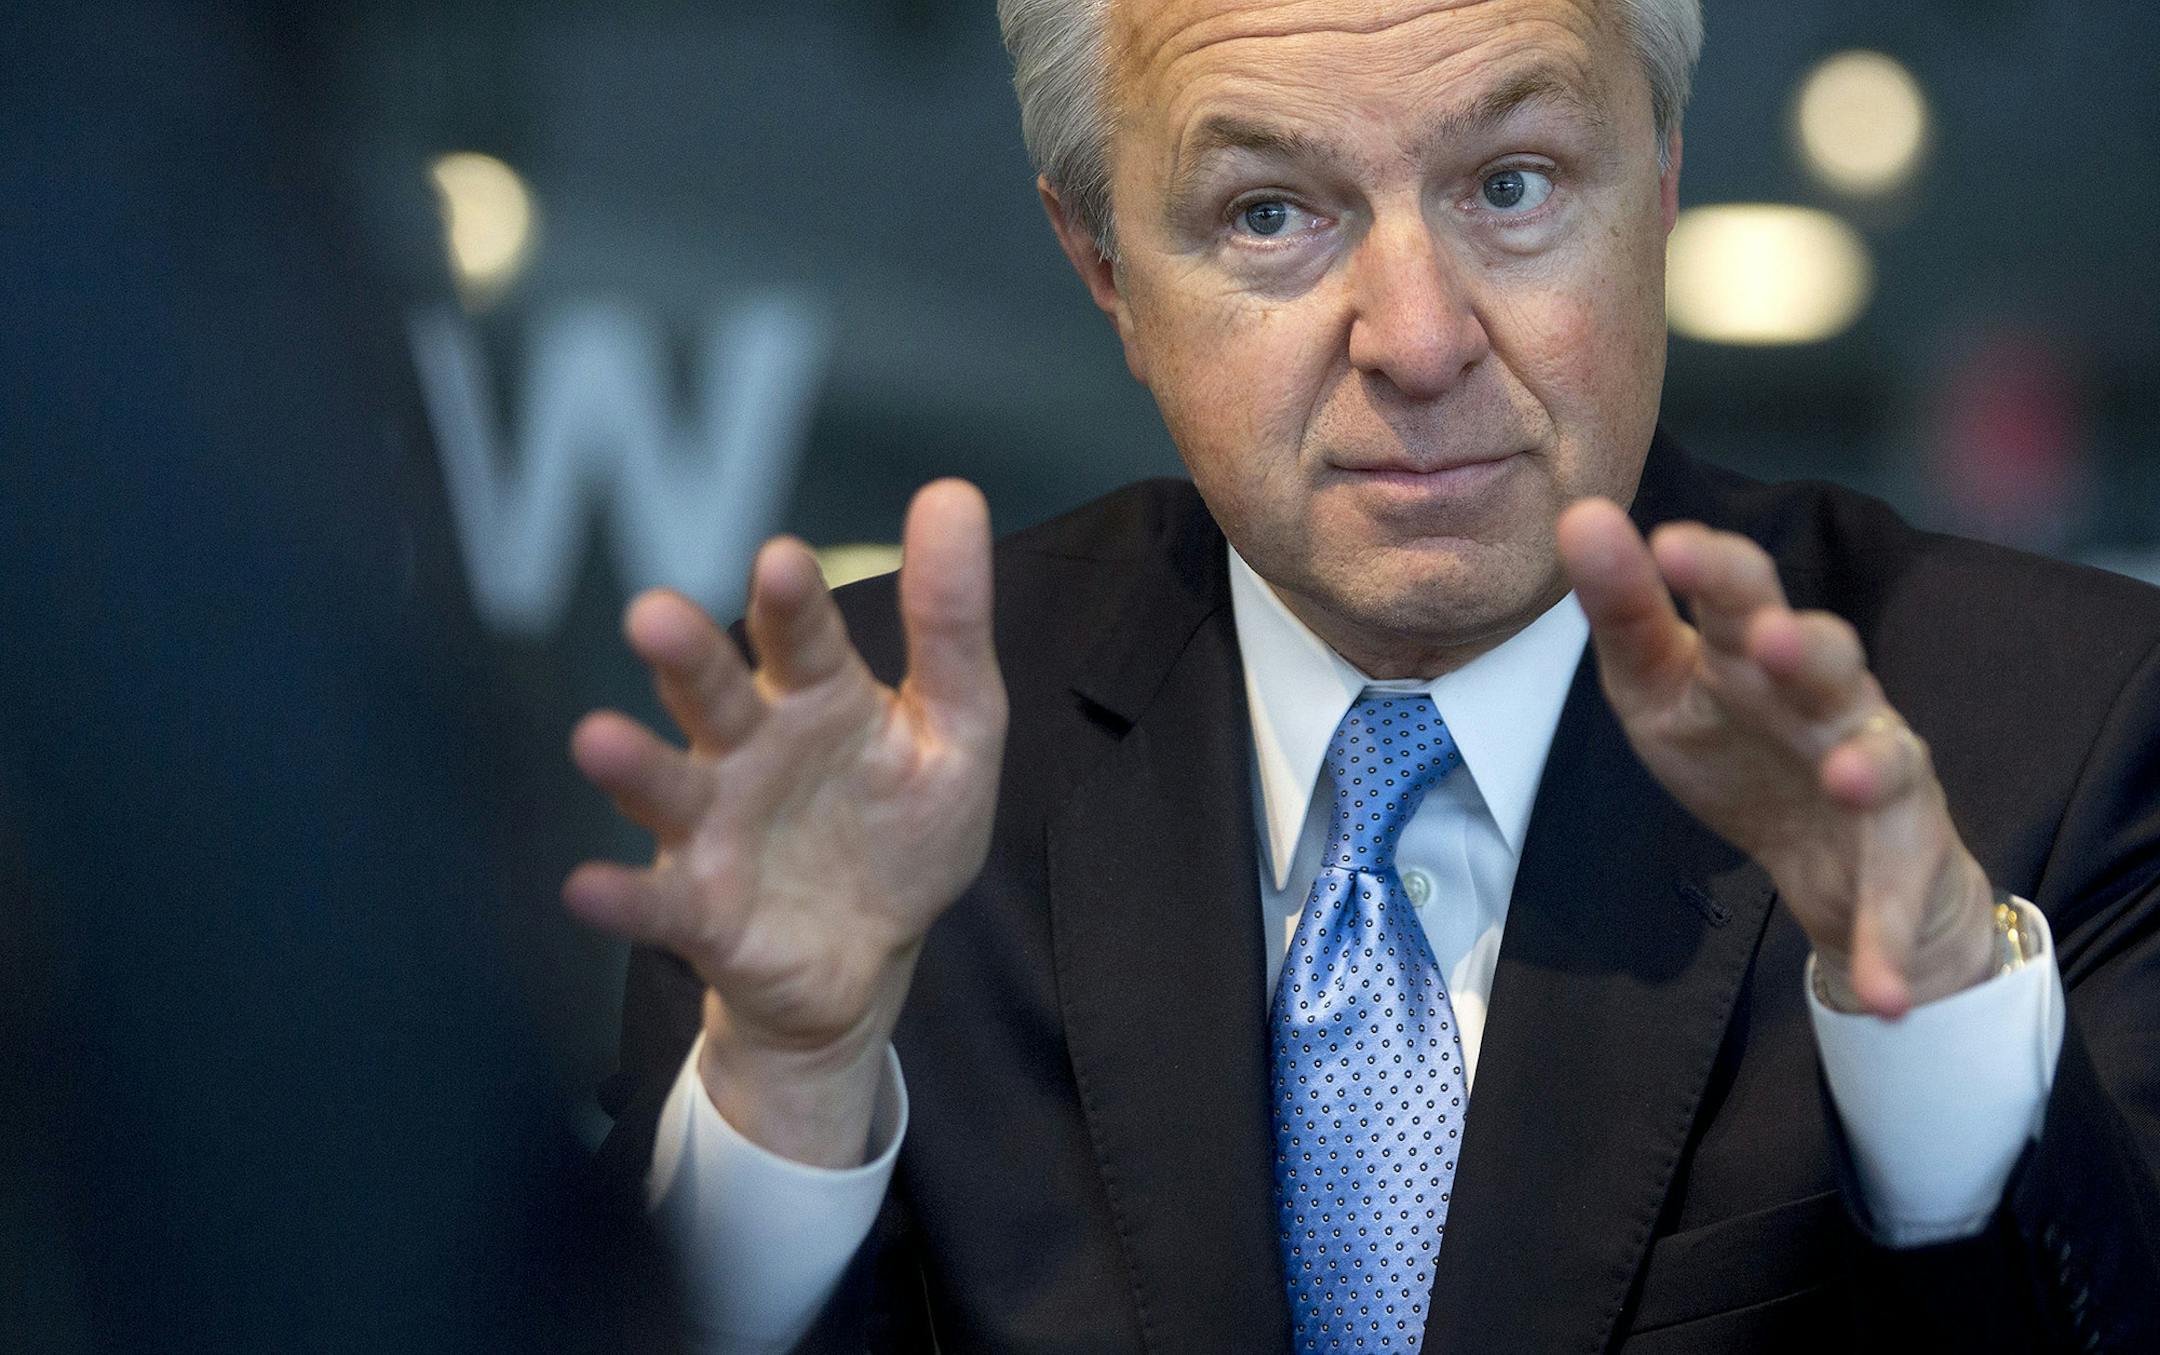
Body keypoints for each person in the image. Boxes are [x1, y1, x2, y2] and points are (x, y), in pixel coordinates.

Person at [566, 0, 2160, 1350]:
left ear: (1661, 181)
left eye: (1514, 184)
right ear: (1105, 264)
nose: (1415, 336)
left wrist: (1941, 1010)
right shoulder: (862, 766)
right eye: (1270, 213)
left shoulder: (2058, 733)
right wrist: (792, 1089)